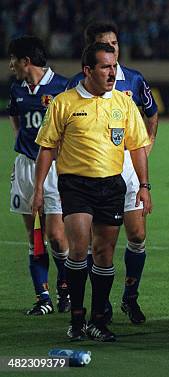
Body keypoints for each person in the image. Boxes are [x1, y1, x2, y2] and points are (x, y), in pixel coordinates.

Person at [32, 42, 152, 342]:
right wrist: (38, 189)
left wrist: (144, 186)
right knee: (79, 247)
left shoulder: (124, 104)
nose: (112, 72)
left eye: (114, 66)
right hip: (76, 185)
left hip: (112, 185)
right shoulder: (65, 103)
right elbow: (47, 148)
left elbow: (137, 147)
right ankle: (76, 319)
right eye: (105, 67)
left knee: (103, 254)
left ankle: (98, 319)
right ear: (88, 70)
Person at [66, 21, 158, 324]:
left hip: (128, 168)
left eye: (116, 43)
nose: (114, 49)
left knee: (137, 234)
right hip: (91, 172)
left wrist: (146, 147)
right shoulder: (75, 89)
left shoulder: (133, 79)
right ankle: (95, 306)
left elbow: (151, 112)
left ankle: (130, 297)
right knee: (94, 244)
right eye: (107, 44)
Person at [7, 35, 70, 315]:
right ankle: (42, 297)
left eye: (13, 60)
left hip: (55, 168)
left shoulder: (63, 87)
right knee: (34, 235)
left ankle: (66, 287)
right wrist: (21, 147)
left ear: (26, 61)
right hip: (25, 168)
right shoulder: (16, 89)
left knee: (56, 236)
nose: (10, 66)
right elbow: (15, 118)